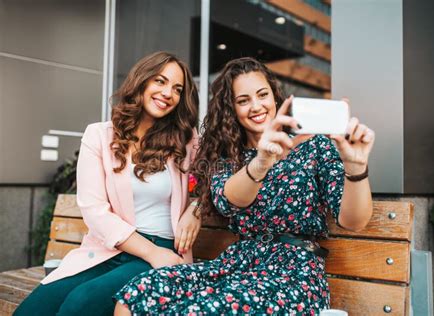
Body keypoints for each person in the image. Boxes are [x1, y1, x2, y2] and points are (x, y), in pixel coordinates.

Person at [114, 57, 375, 315]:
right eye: (243, 100)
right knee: (138, 292)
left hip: (294, 274)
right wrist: (262, 160)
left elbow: (354, 221)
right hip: (238, 263)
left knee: (200, 310)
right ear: (231, 109)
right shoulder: (226, 154)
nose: (256, 106)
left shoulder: (316, 146)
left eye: (263, 95)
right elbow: (230, 200)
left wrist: (355, 168)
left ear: (275, 98)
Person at [14, 51, 201, 316]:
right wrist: (149, 251)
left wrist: (196, 210)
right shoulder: (99, 135)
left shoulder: (186, 140)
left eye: (177, 88)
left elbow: (215, 179)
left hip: (164, 251)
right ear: (142, 81)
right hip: (108, 249)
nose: (168, 92)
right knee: (32, 311)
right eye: (160, 81)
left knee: (80, 303)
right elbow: (93, 209)